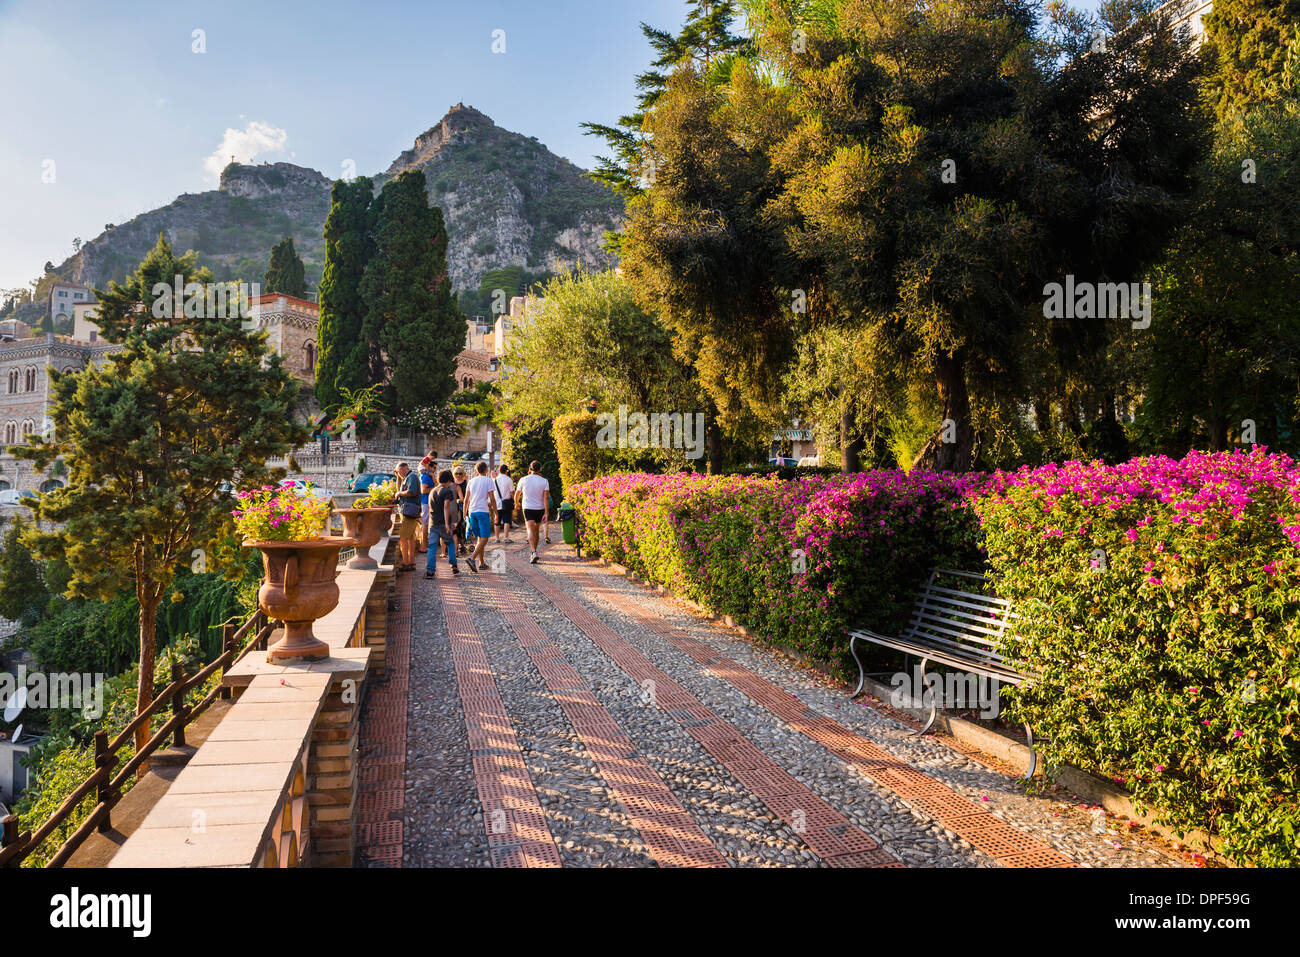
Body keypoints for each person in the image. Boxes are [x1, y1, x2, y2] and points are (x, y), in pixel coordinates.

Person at [463, 461, 498, 573]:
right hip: (482, 511)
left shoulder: (471, 481)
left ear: (476, 470)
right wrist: (496, 513)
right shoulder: (488, 481)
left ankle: (482, 563)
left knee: (479, 537)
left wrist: (464, 513)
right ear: (486, 470)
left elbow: (466, 499)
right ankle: (472, 558)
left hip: (472, 511)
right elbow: (492, 499)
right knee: (485, 537)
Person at [425, 469, 460, 578]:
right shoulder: (447, 491)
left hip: (433, 523)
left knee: (432, 547)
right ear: (449, 479)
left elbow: (430, 507)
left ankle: (430, 571)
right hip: (443, 523)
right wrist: (446, 524)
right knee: (450, 543)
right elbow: (446, 507)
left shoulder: (432, 491)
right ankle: (453, 565)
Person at [516, 460, 551, 564]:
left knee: (530, 530)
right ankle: (534, 552)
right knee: (536, 531)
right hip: (539, 509)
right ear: (540, 469)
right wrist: (546, 512)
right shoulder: (544, 481)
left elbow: (517, 494)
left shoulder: (523, 479)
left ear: (530, 469)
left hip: (527, 508)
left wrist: (516, 503)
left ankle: (533, 552)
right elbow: (546, 498)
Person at [394, 462, 422, 572]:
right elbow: (399, 490)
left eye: (399, 471)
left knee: (403, 538)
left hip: (409, 512)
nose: (399, 473)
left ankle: (405, 562)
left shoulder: (412, 477)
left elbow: (411, 492)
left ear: (405, 468)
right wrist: (398, 477)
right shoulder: (406, 477)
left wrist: (400, 494)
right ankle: (411, 561)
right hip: (408, 511)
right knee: (410, 538)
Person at [417, 455, 436, 553]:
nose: (435, 470)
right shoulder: (425, 476)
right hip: (425, 503)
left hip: (428, 503)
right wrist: (434, 489)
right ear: (428, 467)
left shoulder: (429, 476)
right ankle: (423, 546)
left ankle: (424, 544)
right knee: (424, 524)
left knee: (425, 524)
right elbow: (423, 490)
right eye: (434, 468)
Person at [493, 464, 515, 544]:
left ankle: (497, 538)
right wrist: (515, 500)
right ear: (506, 471)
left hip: (497, 503)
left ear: (499, 470)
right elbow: (512, 491)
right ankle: (506, 537)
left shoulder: (494, 480)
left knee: (497, 520)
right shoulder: (509, 480)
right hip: (507, 503)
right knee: (507, 520)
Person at [452, 466, 469, 556]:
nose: (458, 475)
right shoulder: (452, 483)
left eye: (460, 473)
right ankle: (457, 546)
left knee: (463, 526)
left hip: (463, 506)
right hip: (454, 507)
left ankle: (462, 544)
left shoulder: (466, 482)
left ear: (463, 474)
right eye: (456, 473)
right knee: (456, 527)